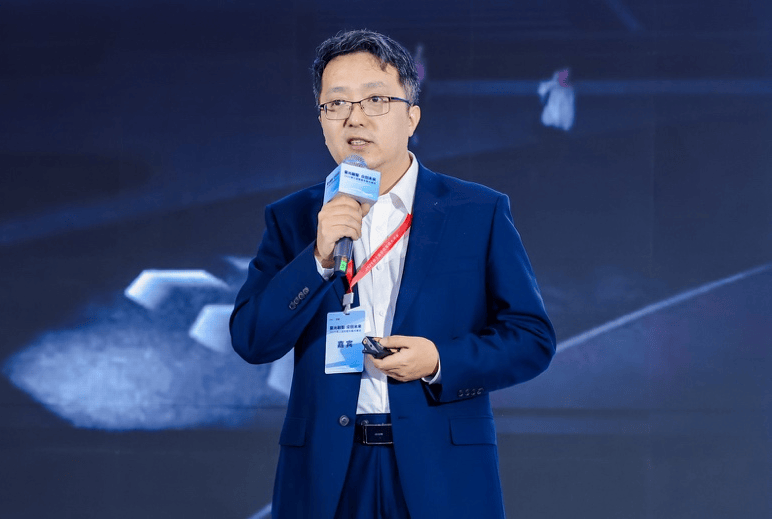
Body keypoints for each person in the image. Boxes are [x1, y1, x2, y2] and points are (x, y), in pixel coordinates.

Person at [230, 29, 556, 519]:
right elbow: (252, 339)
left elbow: (531, 339)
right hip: (327, 472)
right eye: (336, 104)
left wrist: (440, 360)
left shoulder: (477, 211)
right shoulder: (293, 218)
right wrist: (317, 260)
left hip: (440, 469)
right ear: (321, 122)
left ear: (412, 117)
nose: (354, 117)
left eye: (375, 100)